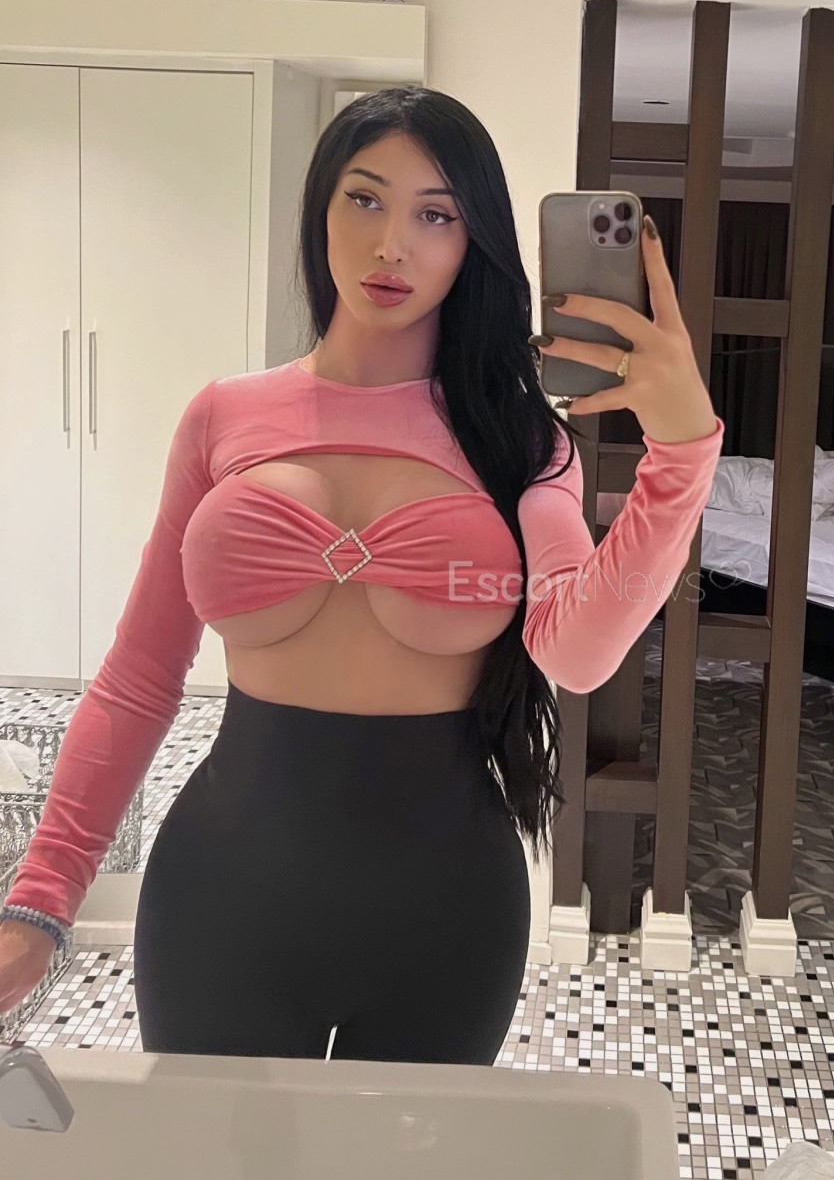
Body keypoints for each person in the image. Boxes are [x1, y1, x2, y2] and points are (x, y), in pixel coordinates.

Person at [0, 87, 723, 1062]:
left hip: (446, 911)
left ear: (473, 242)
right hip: (223, 899)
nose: (393, 245)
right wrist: (42, 897)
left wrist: (682, 453)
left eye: (437, 215)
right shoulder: (223, 417)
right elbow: (138, 678)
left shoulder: (522, 440)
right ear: (321, 211)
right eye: (366, 199)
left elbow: (579, 653)